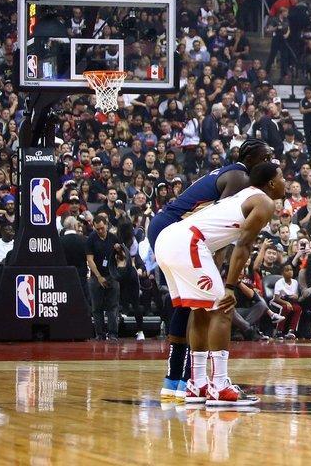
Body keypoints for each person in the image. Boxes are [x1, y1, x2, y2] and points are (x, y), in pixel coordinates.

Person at [146, 139, 273, 400]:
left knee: (192, 305)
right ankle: (198, 380)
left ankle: (180, 380)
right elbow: (221, 222)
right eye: (266, 156)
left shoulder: (231, 172)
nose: (269, 161)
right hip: (177, 230)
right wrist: (215, 268)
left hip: (169, 229)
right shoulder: (240, 178)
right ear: (250, 158)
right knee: (207, 305)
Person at [85, 213, 121, 341]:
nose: (100, 231)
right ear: (94, 227)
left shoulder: (114, 238)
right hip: (96, 277)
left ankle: (113, 334)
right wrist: (99, 276)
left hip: (112, 275)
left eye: (102, 228)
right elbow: (90, 260)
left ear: (106, 225)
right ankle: (99, 334)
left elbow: (121, 258)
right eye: (97, 229)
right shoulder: (91, 239)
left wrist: (119, 251)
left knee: (113, 306)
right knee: (97, 307)